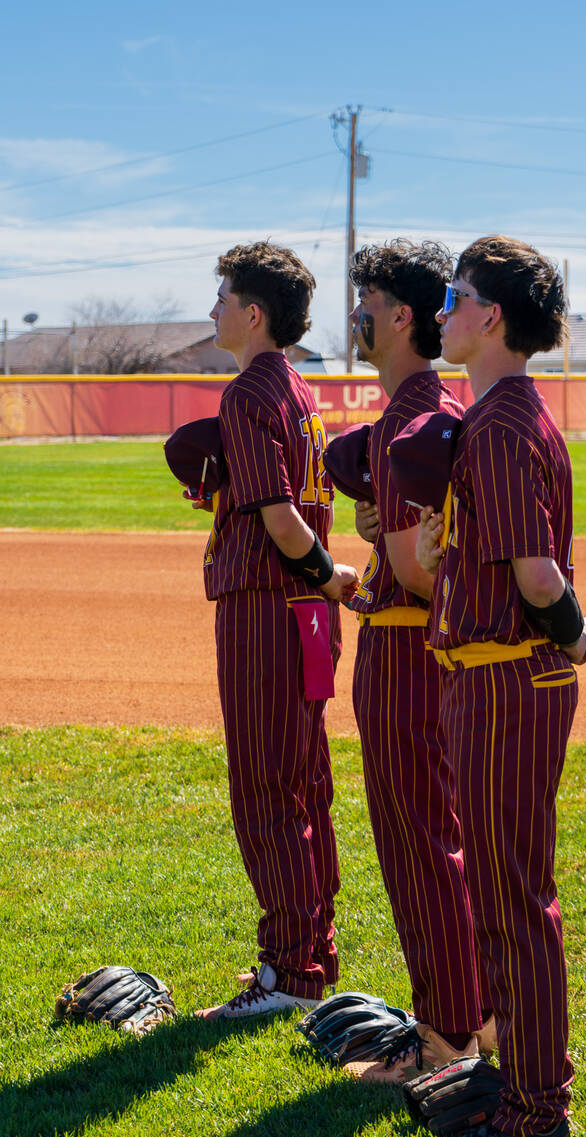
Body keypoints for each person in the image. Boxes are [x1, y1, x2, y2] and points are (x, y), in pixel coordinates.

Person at [414, 236, 586, 1137]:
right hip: (487, 676)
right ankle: (517, 1075)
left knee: (513, 899)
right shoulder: (494, 415)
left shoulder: (500, 422)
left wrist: (574, 630)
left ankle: (535, 1111)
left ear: (491, 317)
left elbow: (535, 575)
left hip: (508, 678)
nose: (441, 312)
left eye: (453, 297)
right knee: (496, 893)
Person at [189, 241, 359, 1019]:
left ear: (253, 314)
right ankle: (310, 954)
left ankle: (288, 973)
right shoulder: (296, 387)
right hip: (307, 619)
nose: (214, 310)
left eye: (223, 298)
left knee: (266, 789)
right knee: (304, 784)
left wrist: (328, 572)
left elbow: (283, 521)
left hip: (269, 605)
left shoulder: (249, 392)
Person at [339, 239, 490, 1083]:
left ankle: (441, 1038)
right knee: (446, 838)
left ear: (402, 316)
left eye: (368, 301)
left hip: (403, 649)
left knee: (418, 843)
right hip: (433, 652)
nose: (356, 315)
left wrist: (393, 546)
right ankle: (481, 1017)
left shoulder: (407, 420)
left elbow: (411, 571)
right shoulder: (432, 409)